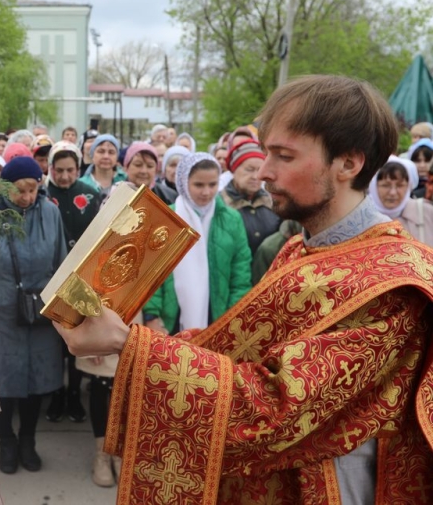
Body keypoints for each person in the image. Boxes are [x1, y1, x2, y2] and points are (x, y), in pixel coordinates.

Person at [54, 75, 433, 504]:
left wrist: (131, 346)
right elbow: (236, 351)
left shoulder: (395, 281)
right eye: (265, 152)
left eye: (283, 156)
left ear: (348, 164)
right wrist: (132, 338)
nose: (264, 171)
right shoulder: (299, 249)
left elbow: (278, 410)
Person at [0, 156, 67, 474]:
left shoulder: (50, 212)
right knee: (5, 380)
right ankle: (6, 440)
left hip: (41, 310)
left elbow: (60, 259)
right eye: (20, 190)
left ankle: (28, 440)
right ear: (7, 187)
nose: (27, 197)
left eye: (33, 190)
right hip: (2, 309)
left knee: (36, 379)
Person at [143, 153, 251, 334]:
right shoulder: (166, 218)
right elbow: (151, 272)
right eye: (198, 185)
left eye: (212, 184)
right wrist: (152, 315)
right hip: (171, 318)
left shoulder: (232, 220)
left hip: (218, 316)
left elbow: (240, 274)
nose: (206, 192)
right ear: (184, 183)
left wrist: (234, 317)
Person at [44, 141, 100, 424]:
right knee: (55, 340)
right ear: (50, 168)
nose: (65, 176)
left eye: (70, 170)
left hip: (82, 277)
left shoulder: (90, 195)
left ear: (78, 168)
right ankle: (57, 394)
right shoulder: (43, 195)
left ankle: (75, 394)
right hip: (52, 276)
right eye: (59, 170)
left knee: (78, 336)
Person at [221, 138, 282, 256]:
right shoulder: (220, 204)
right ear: (233, 170)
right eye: (249, 170)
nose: (255, 176)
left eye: (259, 170)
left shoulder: (272, 202)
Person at [369, 157, 433, 245]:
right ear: (374, 187)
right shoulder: (362, 218)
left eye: (400, 185)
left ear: (408, 187)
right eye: (385, 185)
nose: (392, 192)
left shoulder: (426, 212)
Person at [79, 134, 127, 200]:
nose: (106, 156)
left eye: (111, 152)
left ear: (117, 157)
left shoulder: (126, 180)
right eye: (101, 151)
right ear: (92, 155)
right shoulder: (82, 184)